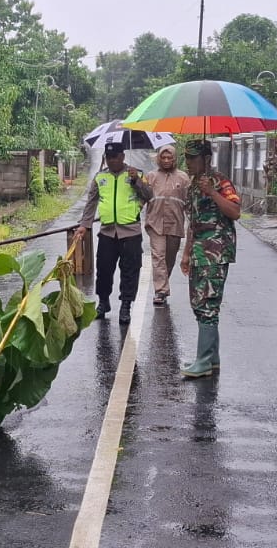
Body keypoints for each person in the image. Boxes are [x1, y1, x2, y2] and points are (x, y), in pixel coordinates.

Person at [179, 138, 241, 377]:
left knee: (207, 304)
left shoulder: (221, 181)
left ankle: (203, 361)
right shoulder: (193, 185)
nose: (188, 163)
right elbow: (192, 224)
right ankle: (211, 358)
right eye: (186, 158)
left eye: (192, 158)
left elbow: (235, 212)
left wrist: (212, 192)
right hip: (198, 252)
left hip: (216, 251)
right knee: (198, 303)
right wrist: (185, 254)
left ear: (206, 159)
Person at [79, 140, 153, 325]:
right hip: (107, 233)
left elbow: (149, 195)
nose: (112, 161)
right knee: (103, 271)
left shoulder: (136, 174)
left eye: (115, 157)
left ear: (122, 157)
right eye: (109, 157)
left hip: (131, 233)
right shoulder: (100, 177)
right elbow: (91, 202)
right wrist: (84, 224)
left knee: (130, 271)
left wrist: (136, 180)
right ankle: (103, 303)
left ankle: (125, 306)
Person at [142, 144, 190, 307]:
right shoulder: (151, 176)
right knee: (159, 256)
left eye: (170, 157)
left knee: (169, 259)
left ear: (175, 159)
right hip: (155, 223)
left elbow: (189, 203)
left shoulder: (183, 178)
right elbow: (143, 196)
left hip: (175, 224)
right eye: (163, 157)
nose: (167, 160)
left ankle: (163, 284)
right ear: (159, 158)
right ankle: (160, 291)